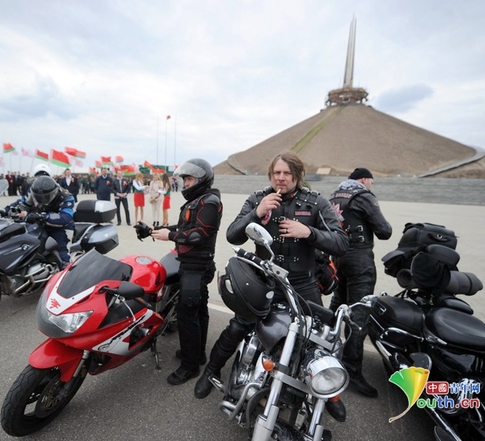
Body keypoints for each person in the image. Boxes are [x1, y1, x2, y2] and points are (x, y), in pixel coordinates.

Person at [194, 152, 349, 420]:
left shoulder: (315, 203)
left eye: (287, 173)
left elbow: (341, 243)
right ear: (270, 174)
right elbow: (232, 234)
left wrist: (308, 233)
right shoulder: (258, 198)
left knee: (318, 338)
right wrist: (257, 212)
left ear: (298, 176)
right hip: (265, 279)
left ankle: (328, 393)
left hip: (302, 283)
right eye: (277, 172)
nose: (281, 177)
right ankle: (211, 370)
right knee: (238, 326)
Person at [150, 158, 222, 386]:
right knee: (198, 310)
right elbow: (184, 228)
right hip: (190, 264)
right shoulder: (199, 201)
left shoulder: (209, 202)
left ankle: (190, 367)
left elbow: (198, 235)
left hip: (197, 267)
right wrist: (154, 230)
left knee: (187, 315)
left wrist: (169, 236)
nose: (186, 183)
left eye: (189, 179)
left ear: (201, 180)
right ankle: (198, 354)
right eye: (184, 179)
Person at [328, 167, 392, 398]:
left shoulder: (336, 194)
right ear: (364, 180)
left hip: (338, 257)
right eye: (371, 183)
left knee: (337, 307)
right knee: (359, 316)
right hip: (360, 259)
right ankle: (352, 371)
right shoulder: (363, 195)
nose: (371, 187)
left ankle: (322, 352)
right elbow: (385, 231)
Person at [6, 175, 75, 266]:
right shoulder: (33, 192)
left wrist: (43, 216)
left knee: (63, 253)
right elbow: (21, 203)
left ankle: (67, 272)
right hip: (41, 223)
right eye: (39, 197)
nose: (42, 199)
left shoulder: (66, 197)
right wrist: (5, 210)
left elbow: (65, 218)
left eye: (46, 197)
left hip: (61, 227)